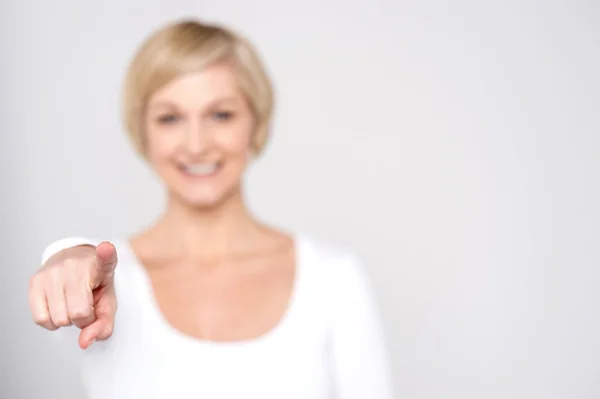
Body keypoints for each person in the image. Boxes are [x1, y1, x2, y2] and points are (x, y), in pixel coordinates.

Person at [28, 18, 394, 399]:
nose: (197, 144)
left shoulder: (333, 279)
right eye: (170, 118)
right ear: (142, 131)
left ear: (256, 123)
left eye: (221, 115)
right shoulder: (101, 291)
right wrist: (66, 253)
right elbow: (71, 272)